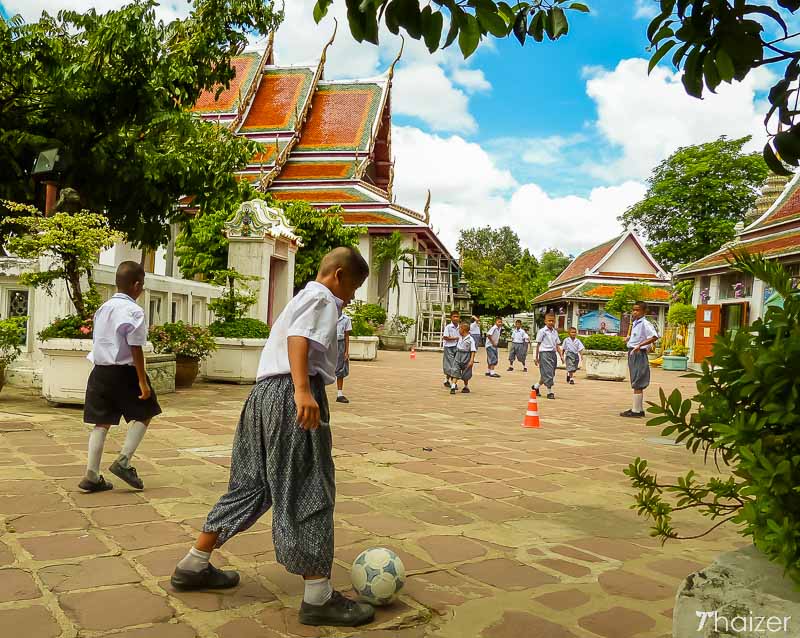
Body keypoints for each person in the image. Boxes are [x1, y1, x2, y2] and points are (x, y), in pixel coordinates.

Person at [170, 247, 374, 628]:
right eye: (354, 286)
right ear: (339, 275)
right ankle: (318, 595)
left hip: (263, 396)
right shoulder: (322, 297)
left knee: (251, 484)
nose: (352, 296)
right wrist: (302, 390)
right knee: (308, 486)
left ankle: (194, 563)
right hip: (291, 395)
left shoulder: (301, 297)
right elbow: (299, 338)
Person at [79, 261, 162, 493]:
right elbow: (135, 348)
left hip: (100, 371)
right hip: (124, 372)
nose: (142, 289)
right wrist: (142, 382)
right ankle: (123, 461)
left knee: (101, 423)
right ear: (136, 285)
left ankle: (92, 475)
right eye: (142, 285)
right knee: (146, 412)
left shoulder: (103, 308)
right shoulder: (134, 311)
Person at [621, 301, 659, 418]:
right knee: (635, 380)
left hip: (639, 353)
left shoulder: (645, 323)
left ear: (644, 311)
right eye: (633, 310)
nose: (634, 312)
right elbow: (637, 336)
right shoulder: (636, 323)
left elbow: (654, 336)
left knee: (638, 380)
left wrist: (640, 345)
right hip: (633, 352)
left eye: (637, 310)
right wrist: (629, 339)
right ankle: (638, 408)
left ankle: (636, 410)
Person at [532, 312, 564, 400]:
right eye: (549, 321)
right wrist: (536, 357)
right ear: (545, 321)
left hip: (553, 354)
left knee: (550, 373)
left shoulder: (555, 332)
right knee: (548, 373)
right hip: (544, 353)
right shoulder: (542, 331)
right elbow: (538, 344)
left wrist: (561, 355)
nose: (551, 322)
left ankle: (535, 387)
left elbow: (557, 345)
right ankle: (550, 392)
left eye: (553, 321)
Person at [452, 322, 477, 394]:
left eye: (459, 328)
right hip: (458, 355)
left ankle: (466, 386)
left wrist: (471, 360)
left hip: (466, 356)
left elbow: (473, 350)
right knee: (455, 370)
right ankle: (453, 386)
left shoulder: (470, 339)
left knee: (466, 372)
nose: (459, 330)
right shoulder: (460, 337)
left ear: (463, 330)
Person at [335, 313, 352, 404]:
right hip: (329, 343)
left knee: (341, 368)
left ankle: (339, 394)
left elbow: (346, 336)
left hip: (341, 343)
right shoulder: (329, 315)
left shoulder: (346, 319)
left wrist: (346, 351)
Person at [442, 310, 461, 390]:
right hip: (449, 347)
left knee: (455, 365)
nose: (456, 318)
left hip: (457, 347)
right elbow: (445, 337)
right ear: (451, 318)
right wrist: (456, 338)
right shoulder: (448, 327)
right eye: (454, 316)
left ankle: (446, 380)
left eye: (457, 316)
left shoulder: (460, 327)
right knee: (451, 365)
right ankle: (453, 383)